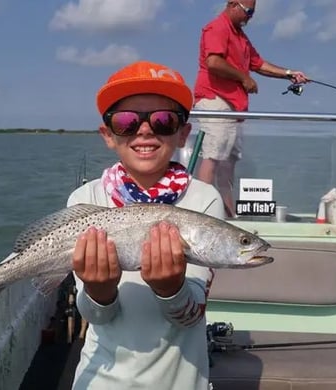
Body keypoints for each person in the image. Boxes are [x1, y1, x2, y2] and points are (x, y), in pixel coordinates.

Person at [67, 60, 225, 390]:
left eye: (164, 121)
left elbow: (190, 314)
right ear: (107, 135)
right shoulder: (86, 197)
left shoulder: (204, 199)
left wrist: (171, 288)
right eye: (126, 122)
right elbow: (96, 317)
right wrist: (99, 291)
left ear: (184, 133)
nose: (145, 130)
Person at [194, 0, 309, 217]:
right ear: (232, 5)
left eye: (254, 12)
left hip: (235, 107)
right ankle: (201, 212)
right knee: (213, 154)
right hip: (214, 99)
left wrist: (290, 73)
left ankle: (228, 212)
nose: (251, 16)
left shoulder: (241, 38)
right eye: (249, 11)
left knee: (229, 160)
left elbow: (260, 64)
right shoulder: (217, 27)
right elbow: (213, 62)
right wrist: (243, 78)